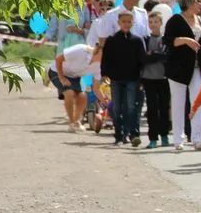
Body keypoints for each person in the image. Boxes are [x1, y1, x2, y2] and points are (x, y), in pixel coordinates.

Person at [163, 0, 201, 151]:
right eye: (197, 1)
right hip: (178, 68)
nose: (200, 4)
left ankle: (197, 137)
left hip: (197, 68)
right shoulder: (175, 20)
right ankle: (178, 139)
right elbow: (167, 40)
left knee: (197, 101)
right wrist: (185, 40)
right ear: (188, 3)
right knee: (178, 102)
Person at [100, 11, 146, 147]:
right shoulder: (112, 40)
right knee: (117, 108)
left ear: (133, 23)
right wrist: (104, 74)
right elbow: (106, 59)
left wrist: (142, 78)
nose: (126, 24)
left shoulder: (137, 41)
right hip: (116, 79)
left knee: (131, 107)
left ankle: (133, 134)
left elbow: (141, 60)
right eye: (123, 21)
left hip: (132, 79)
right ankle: (119, 135)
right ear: (119, 23)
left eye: (129, 21)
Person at [49, 43, 101, 131]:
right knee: (69, 93)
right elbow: (58, 59)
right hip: (57, 72)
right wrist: (62, 78)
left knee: (83, 97)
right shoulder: (81, 50)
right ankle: (71, 122)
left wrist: (104, 100)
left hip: (74, 77)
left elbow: (96, 88)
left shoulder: (98, 66)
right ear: (99, 51)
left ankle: (76, 121)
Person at [141, 10, 171, 149]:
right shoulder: (145, 39)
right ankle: (153, 138)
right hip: (148, 78)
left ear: (161, 23)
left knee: (164, 108)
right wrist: (154, 56)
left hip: (164, 78)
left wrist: (154, 54)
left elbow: (166, 57)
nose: (153, 24)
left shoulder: (165, 39)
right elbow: (143, 58)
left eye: (156, 22)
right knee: (152, 109)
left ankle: (164, 135)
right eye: (151, 22)